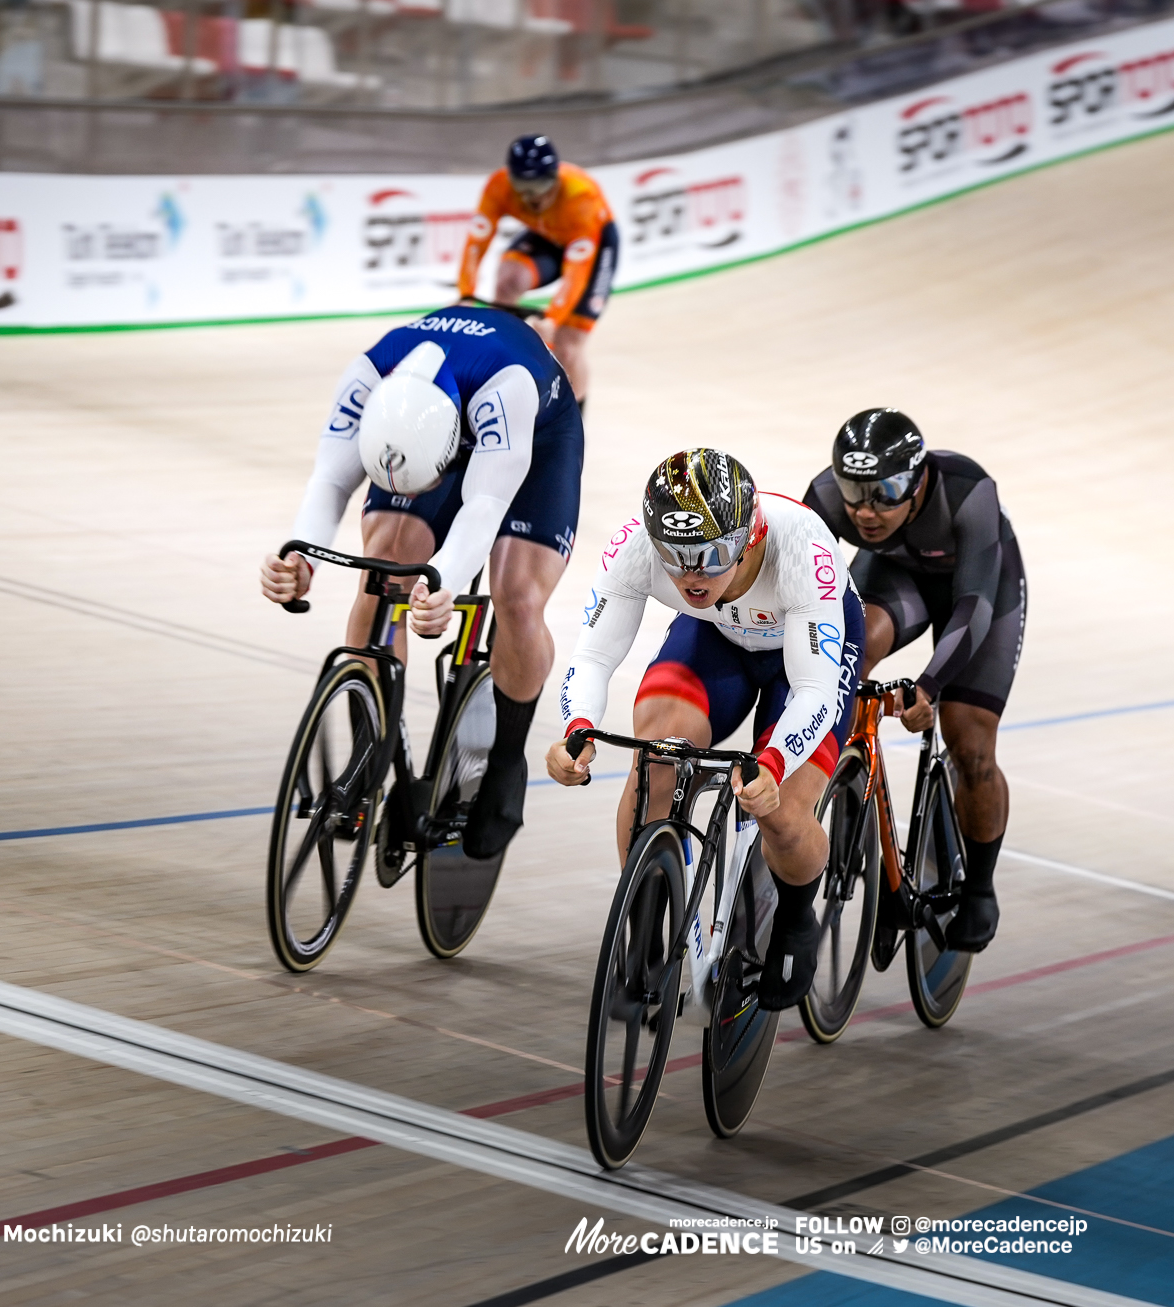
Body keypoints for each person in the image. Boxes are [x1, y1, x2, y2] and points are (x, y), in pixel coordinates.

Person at [258, 302, 583, 862]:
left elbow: (483, 505)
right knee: (384, 565)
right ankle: (370, 747)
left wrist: (446, 584)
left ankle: (506, 764)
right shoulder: (366, 378)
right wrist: (300, 562)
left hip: (538, 439)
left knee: (516, 596)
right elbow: (331, 481)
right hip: (419, 438)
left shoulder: (507, 387)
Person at [544, 450, 863, 1010]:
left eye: (712, 556)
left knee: (782, 807)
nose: (692, 576)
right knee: (657, 757)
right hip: (719, 638)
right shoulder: (638, 547)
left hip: (805, 656)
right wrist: (578, 728)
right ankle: (642, 933)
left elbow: (813, 690)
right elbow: (593, 654)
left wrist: (774, 764)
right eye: (676, 557)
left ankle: (794, 916)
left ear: (749, 535)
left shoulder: (800, 549)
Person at [800, 409, 1025, 954]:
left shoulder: (969, 492)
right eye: (854, 492)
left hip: (978, 595)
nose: (866, 511)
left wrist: (926, 686)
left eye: (886, 492)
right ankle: (851, 786)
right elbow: (802, 592)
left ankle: (979, 886)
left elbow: (973, 608)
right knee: (851, 655)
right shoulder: (825, 498)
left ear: (920, 480)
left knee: (968, 738)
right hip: (896, 578)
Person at [456, 134, 617, 405]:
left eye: (541, 185)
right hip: (548, 235)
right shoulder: (499, 187)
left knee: (567, 345)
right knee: (507, 282)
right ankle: (501, 375)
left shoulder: (581, 197)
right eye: (523, 186)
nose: (533, 197)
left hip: (594, 244)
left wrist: (553, 319)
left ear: (555, 177)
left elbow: (576, 273)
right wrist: (465, 294)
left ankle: (574, 426)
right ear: (511, 179)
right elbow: (476, 244)